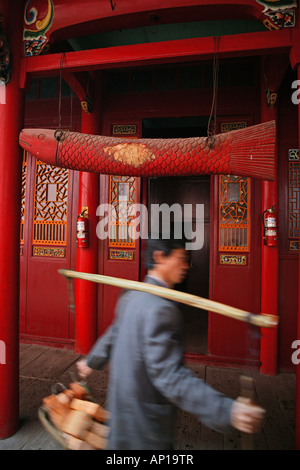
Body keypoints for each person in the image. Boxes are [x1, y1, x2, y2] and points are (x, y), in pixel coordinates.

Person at [77, 237, 265, 450]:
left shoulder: (131, 293)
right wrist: (227, 410)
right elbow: (169, 376)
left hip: (121, 410)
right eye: (181, 258)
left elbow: (114, 331)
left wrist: (91, 361)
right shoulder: (161, 309)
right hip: (146, 426)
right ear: (159, 257)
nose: (186, 266)